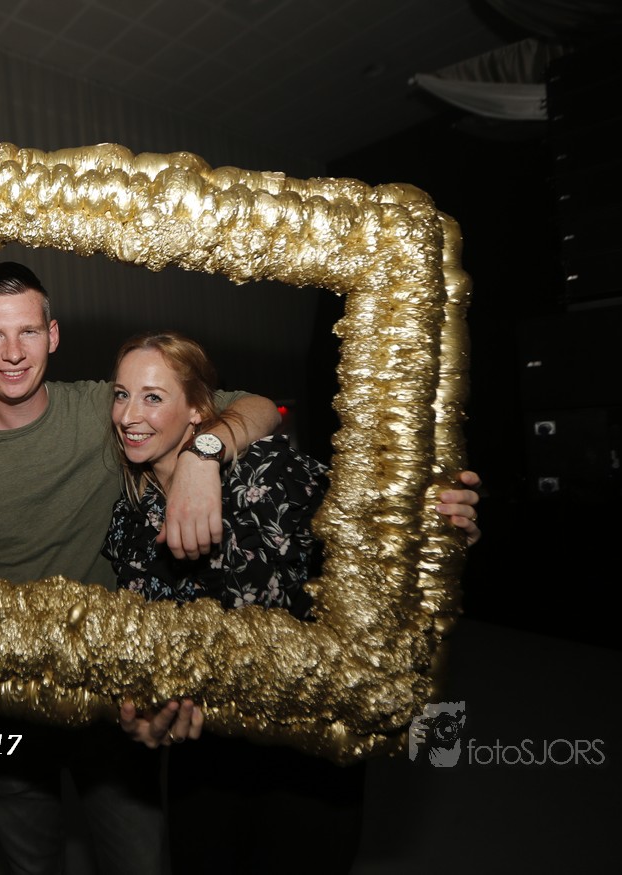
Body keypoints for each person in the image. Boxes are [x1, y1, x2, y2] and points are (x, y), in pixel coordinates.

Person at [0, 262, 291, 875]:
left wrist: (203, 456)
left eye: (28, 331)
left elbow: (257, 407)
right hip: (2, 703)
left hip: (114, 701)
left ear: (53, 335)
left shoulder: (108, 407)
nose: (13, 353)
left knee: (138, 860)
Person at [101, 331, 480, 875]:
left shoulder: (267, 470)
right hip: (204, 753)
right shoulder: (128, 517)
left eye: (153, 397)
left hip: (308, 744)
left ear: (198, 411)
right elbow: (145, 648)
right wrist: (142, 717)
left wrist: (440, 529)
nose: (128, 415)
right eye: (121, 394)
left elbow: (374, 534)